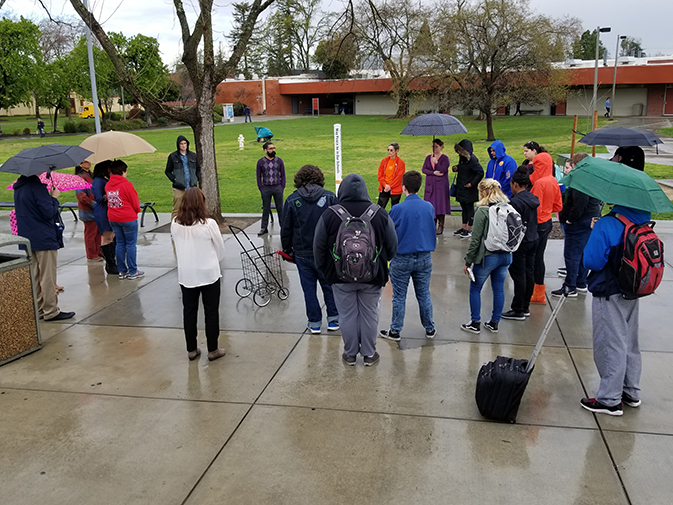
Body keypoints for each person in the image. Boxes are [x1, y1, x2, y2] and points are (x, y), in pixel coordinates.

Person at [314, 173, 398, 366]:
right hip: (373, 275)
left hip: (339, 275)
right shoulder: (379, 213)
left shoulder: (330, 214)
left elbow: (318, 247)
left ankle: (350, 354)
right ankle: (369, 354)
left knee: (347, 314)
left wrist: (325, 271)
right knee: (369, 313)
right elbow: (393, 247)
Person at [580, 202, 650, 416]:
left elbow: (592, 261)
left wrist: (597, 231)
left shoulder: (608, 224)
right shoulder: (643, 220)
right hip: (633, 288)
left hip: (609, 290)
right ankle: (630, 390)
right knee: (629, 339)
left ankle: (609, 399)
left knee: (610, 342)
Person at [280, 164, 339, 334]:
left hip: (302, 252)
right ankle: (333, 319)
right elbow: (338, 225)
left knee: (308, 289)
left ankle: (314, 322)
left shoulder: (292, 200)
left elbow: (286, 229)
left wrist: (287, 250)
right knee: (328, 286)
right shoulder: (330, 198)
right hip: (325, 253)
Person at [379, 170, 437, 341]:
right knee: (424, 294)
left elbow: (388, 234)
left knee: (399, 296)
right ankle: (430, 328)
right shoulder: (429, 207)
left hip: (402, 258)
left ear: (404, 187)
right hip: (424, 257)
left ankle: (395, 330)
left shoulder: (397, 209)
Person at [171, 188, 227, 362]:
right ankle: (213, 349)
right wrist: (212, 261)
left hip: (187, 274)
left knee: (189, 311)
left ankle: (191, 348)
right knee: (211, 311)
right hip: (208, 273)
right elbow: (220, 249)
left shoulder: (175, 223)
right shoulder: (209, 224)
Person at [13, 174, 75, 321]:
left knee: (35, 275)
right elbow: (48, 213)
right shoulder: (37, 188)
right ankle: (51, 310)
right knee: (47, 275)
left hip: (27, 236)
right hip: (43, 236)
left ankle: (40, 308)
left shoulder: (19, 188)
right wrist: (53, 197)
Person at [461, 179, 513, 334]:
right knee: (498, 289)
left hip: (487, 256)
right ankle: (494, 322)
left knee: (475, 289)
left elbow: (475, 240)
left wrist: (468, 261)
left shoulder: (483, 212)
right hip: (505, 255)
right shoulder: (508, 208)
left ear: (483, 192)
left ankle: (475, 322)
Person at [552, 153, 601, 298]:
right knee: (582, 253)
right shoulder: (592, 178)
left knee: (572, 254)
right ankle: (580, 283)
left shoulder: (580, 180)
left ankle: (570, 285)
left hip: (579, 221)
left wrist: (569, 220)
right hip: (590, 218)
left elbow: (579, 204)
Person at [502, 169, 539, 320]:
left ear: (515, 184)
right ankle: (525, 306)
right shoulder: (532, 198)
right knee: (529, 272)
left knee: (519, 275)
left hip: (521, 242)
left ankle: (517, 309)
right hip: (533, 238)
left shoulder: (516, 202)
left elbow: (512, 224)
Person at [528, 151, 563, 304]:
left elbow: (534, 207)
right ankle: (539, 291)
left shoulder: (539, 183)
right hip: (548, 221)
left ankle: (534, 292)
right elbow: (558, 205)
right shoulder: (553, 180)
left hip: (537, 223)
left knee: (531, 258)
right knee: (539, 256)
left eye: (536, 166)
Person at [106, 160, 144, 280]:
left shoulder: (108, 185)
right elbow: (134, 201)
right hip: (127, 217)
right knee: (131, 244)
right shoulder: (126, 184)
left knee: (120, 243)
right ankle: (133, 270)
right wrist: (137, 210)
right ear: (123, 171)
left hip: (113, 217)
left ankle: (122, 270)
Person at [451, 139, 484, 238]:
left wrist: (472, 183)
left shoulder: (473, 160)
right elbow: (464, 168)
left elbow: (480, 172)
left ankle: (470, 229)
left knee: (469, 209)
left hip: (469, 189)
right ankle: (464, 227)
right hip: (461, 187)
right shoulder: (462, 158)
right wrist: (456, 167)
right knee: (464, 208)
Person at [165, 135, 201, 220]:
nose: (183, 145)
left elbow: (198, 169)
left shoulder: (193, 156)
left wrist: (196, 178)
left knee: (193, 208)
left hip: (191, 187)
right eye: (181, 144)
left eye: (185, 143)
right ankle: (174, 226)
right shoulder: (173, 156)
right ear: (178, 145)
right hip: (179, 188)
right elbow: (167, 171)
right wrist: (175, 180)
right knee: (177, 209)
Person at [92, 161, 118, 275]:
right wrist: (110, 194)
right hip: (103, 211)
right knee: (107, 237)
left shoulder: (106, 179)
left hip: (109, 210)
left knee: (112, 235)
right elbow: (98, 198)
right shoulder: (98, 181)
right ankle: (110, 264)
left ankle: (112, 262)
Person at [74, 160, 103, 263]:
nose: (89, 163)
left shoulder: (91, 174)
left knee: (98, 232)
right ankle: (91, 254)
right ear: (80, 164)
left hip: (96, 210)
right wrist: (94, 204)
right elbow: (81, 196)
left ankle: (98, 251)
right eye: (86, 162)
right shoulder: (80, 177)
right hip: (88, 211)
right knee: (90, 234)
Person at [421, 139, 451, 234]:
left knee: (440, 204)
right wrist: (433, 172)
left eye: (436, 147)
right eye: (433, 147)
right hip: (430, 185)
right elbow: (424, 169)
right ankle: (431, 224)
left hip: (440, 186)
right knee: (431, 204)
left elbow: (443, 171)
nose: (434, 149)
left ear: (441, 147)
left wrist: (437, 163)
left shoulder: (445, 158)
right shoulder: (428, 158)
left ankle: (441, 224)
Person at [256, 141, 285, 236]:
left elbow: (283, 174)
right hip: (266, 188)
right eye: (270, 148)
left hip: (277, 187)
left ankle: (283, 227)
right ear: (265, 150)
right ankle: (264, 228)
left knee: (280, 209)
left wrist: (282, 186)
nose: (273, 150)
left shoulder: (279, 161)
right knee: (266, 209)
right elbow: (258, 176)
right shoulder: (260, 162)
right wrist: (261, 187)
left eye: (273, 148)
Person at [377, 142, 405, 209]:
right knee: (379, 208)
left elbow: (399, 178)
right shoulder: (384, 161)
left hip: (395, 189)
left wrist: (390, 186)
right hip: (384, 187)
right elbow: (380, 175)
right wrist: (385, 185)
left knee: (395, 209)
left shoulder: (401, 163)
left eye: (391, 150)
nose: (389, 152)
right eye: (388, 150)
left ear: (397, 151)